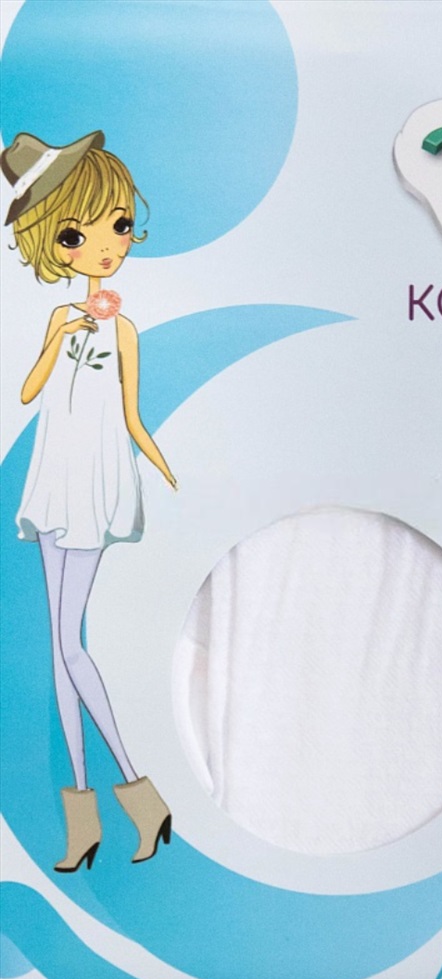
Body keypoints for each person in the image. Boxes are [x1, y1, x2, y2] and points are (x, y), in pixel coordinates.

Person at [1, 131, 175, 871]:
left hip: (95, 484)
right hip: (55, 479)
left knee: (70, 644)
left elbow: (132, 415)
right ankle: (86, 816)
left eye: (118, 225)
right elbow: (27, 392)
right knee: (56, 648)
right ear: (53, 244)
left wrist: (162, 468)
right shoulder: (58, 320)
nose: (105, 246)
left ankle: (137, 792)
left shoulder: (125, 329)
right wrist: (59, 336)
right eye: (77, 234)